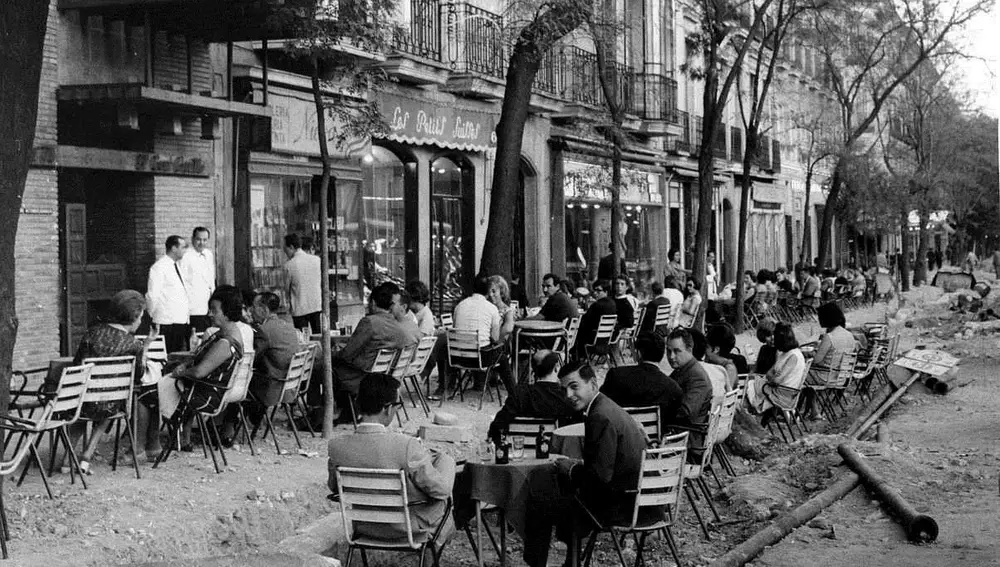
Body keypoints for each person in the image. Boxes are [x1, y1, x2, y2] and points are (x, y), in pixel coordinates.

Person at [523, 361, 648, 567]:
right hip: (639, 500)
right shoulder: (607, 406)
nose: (569, 395)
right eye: (564, 389)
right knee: (560, 490)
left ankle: (537, 564)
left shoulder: (599, 416)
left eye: (574, 386)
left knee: (541, 501)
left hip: (621, 506)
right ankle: (571, 561)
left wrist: (571, 468)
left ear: (593, 384)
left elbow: (599, 478)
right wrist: (575, 466)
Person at [328, 373, 456, 541]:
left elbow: (334, 487)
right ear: (387, 408)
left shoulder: (337, 446)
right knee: (445, 471)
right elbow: (441, 491)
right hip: (407, 530)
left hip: (364, 526)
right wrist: (445, 460)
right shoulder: (406, 445)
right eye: (398, 405)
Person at [71, 290, 161, 470]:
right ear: (133, 317)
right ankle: (87, 454)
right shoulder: (133, 344)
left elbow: (77, 365)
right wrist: (146, 345)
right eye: (140, 317)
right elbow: (139, 376)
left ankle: (68, 458)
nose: (141, 321)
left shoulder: (91, 333)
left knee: (88, 403)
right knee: (116, 399)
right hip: (112, 404)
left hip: (82, 401)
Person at [159, 286, 245, 449]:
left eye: (214, 310)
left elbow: (199, 372)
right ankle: (181, 437)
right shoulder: (227, 333)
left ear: (228, 312)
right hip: (207, 389)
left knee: (148, 393)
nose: (209, 314)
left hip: (206, 395)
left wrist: (181, 372)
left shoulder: (225, 343)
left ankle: (150, 444)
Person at [333, 282, 421, 422]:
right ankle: (348, 411)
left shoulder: (369, 322)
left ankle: (320, 414)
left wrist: (335, 353)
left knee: (326, 367)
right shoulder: (397, 325)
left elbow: (348, 353)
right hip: (384, 376)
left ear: (373, 302)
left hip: (362, 377)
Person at [487, 350, 578, 440]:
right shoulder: (567, 396)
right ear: (557, 367)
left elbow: (498, 424)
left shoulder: (520, 394)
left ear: (533, 369)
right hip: (554, 450)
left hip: (521, 450)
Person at [600, 332, 683, 430]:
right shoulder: (674, 388)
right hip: (655, 443)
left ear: (638, 353)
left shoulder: (616, 375)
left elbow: (601, 407)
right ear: (662, 355)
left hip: (621, 439)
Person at [801, 302, 857, 420]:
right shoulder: (849, 335)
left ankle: (800, 409)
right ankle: (812, 410)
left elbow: (816, 360)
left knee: (801, 374)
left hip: (826, 376)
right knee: (808, 376)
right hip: (841, 375)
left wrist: (810, 353)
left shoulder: (830, 337)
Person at [664, 328, 712, 460]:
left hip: (687, 441)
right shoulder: (683, 370)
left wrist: (659, 414)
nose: (671, 356)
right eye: (668, 351)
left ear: (690, 350)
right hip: (680, 433)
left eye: (677, 351)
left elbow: (686, 412)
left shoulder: (697, 377)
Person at [246, 291, 300, 411]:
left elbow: (252, 358)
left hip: (273, 387)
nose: (251, 311)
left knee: (237, 381)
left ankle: (229, 425)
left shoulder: (265, 330)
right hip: (290, 383)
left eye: (253, 307)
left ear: (263, 310)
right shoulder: (288, 326)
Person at [745, 322, 806, 423]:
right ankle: (753, 414)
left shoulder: (792, 356)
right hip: (779, 389)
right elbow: (770, 372)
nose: (773, 339)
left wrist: (771, 377)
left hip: (781, 393)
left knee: (748, 384)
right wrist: (771, 376)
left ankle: (751, 414)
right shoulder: (785, 354)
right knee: (751, 383)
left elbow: (776, 379)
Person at [146, 235, 190, 353]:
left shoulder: (176, 266)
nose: (185, 251)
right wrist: (154, 316)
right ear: (174, 248)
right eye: (183, 247)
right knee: (167, 354)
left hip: (179, 320)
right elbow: (152, 295)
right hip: (166, 321)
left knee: (176, 354)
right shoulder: (159, 267)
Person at [284, 233, 323, 333]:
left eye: (286, 250)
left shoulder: (289, 265)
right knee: (318, 335)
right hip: (316, 305)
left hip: (299, 307)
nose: (286, 253)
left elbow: (286, 289)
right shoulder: (317, 260)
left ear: (291, 247)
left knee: (302, 339)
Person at [181, 227, 215, 333]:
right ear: (192, 239)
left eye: (205, 240)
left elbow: (210, 280)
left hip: (208, 306)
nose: (202, 243)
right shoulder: (186, 256)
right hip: (194, 307)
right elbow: (183, 282)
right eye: (199, 239)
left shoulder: (209, 254)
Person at [574, 279, 617, 359]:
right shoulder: (612, 303)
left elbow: (584, 321)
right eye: (594, 290)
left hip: (593, 339)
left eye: (598, 291)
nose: (595, 293)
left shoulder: (597, 305)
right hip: (607, 339)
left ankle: (577, 359)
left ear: (606, 292)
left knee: (577, 332)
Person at [689, 328, 728, 409]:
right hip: (720, 419)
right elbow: (730, 399)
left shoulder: (686, 373)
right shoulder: (720, 370)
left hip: (700, 420)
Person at [704, 325, 739, 389]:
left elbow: (725, 395)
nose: (705, 351)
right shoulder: (711, 363)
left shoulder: (729, 369)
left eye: (707, 347)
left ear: (716, 349)